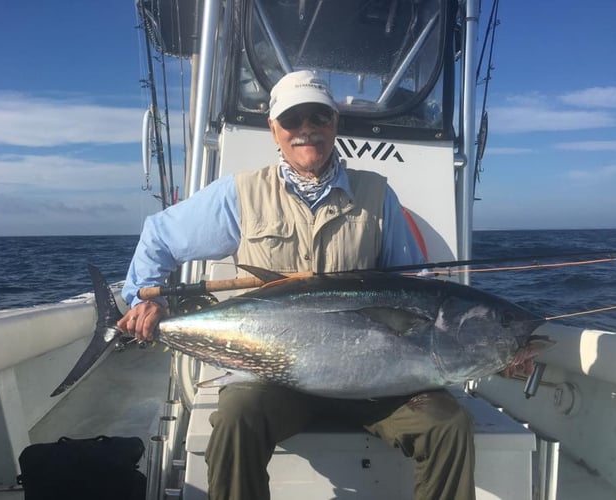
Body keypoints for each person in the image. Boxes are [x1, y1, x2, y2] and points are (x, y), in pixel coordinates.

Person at [117, 70, 476, 500]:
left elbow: (415, 290)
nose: (306, 128)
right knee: (235, 418)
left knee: (448, 424)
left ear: (335, 123)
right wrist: (142, 297)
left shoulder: (378, 195)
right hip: (276, 378)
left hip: (374, 384)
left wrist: (490, 351)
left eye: (318, 117)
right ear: (274, 130)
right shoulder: (242, 193)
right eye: (292, 120)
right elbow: (159, 235)